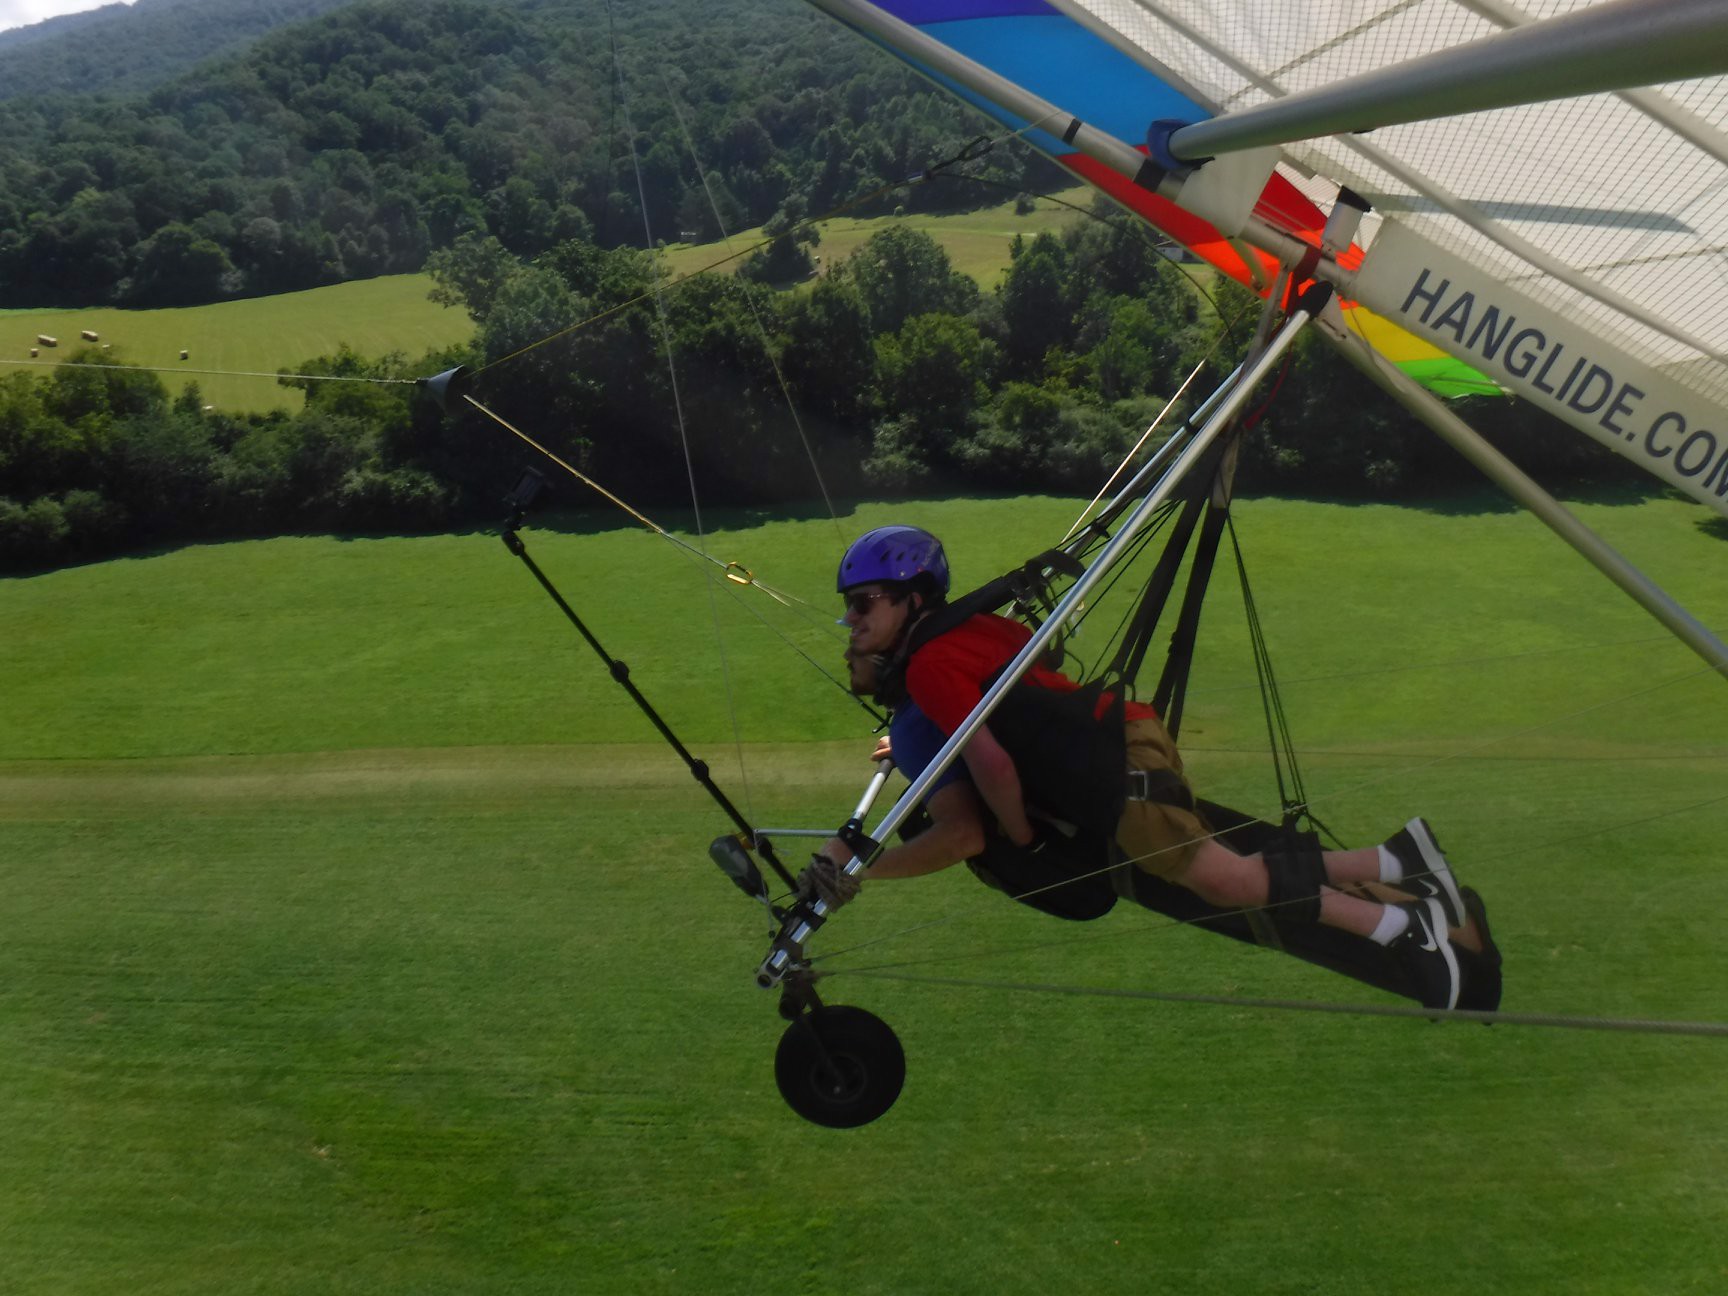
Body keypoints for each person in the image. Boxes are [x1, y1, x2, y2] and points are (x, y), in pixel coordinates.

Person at [803, 524, 1501, 1013]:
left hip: (1113, 773)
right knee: (1234, 872)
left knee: (1230, 881)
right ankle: (1404, 863)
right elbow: (1015, 703)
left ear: (913, 598)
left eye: (864, 605)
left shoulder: (928, 664)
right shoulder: (971, 633)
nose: (853, 624)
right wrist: (919, 746)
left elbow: (988, 770)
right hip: (1127, 744)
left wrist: (1019, 837)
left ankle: (1404, 922)